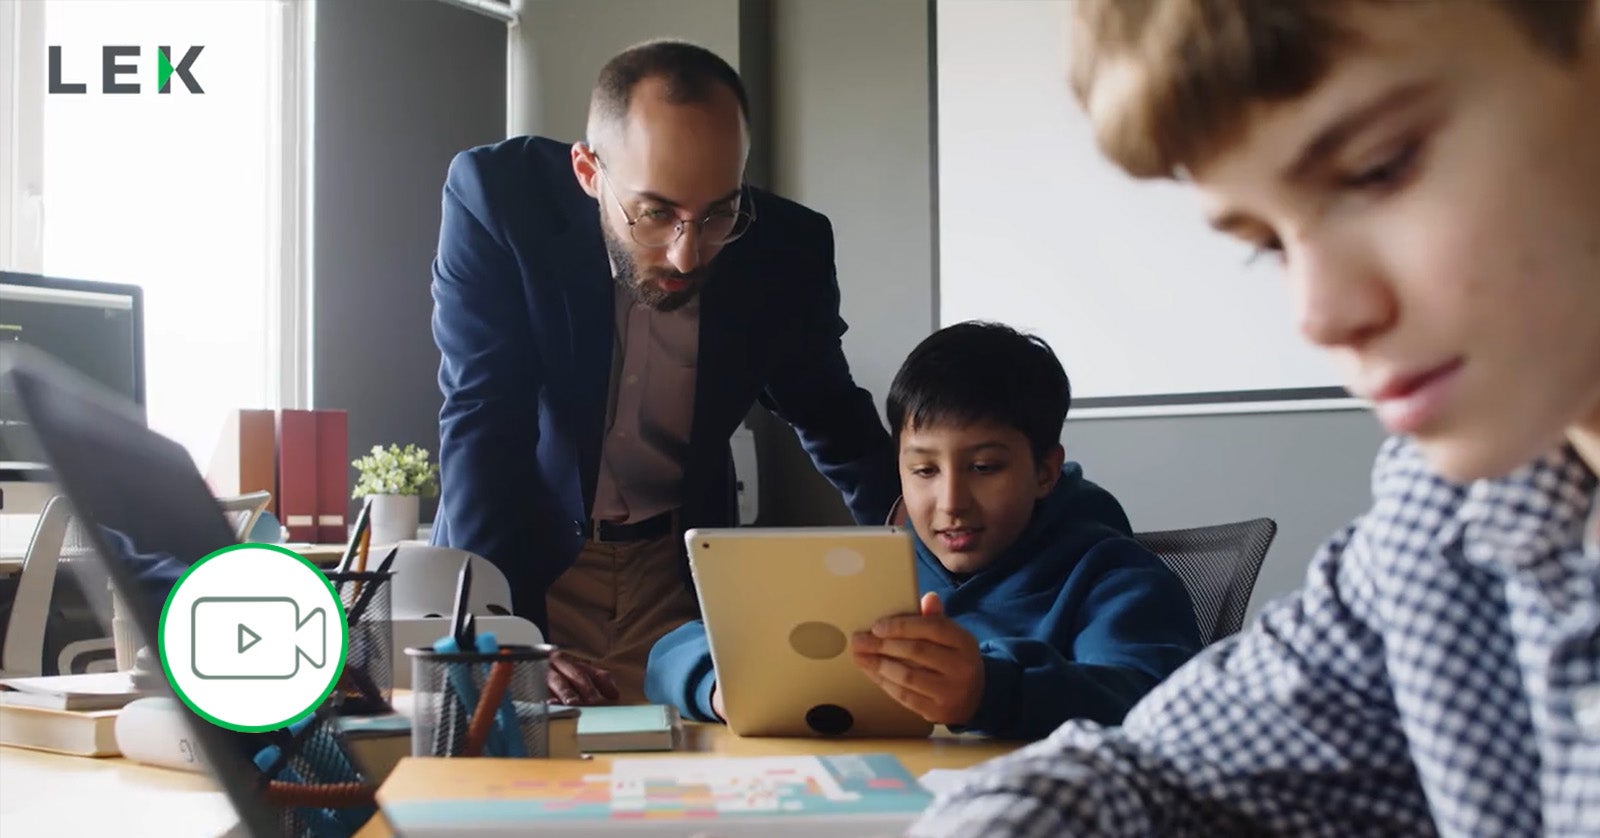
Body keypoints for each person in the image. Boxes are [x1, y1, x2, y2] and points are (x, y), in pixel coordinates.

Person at [911, 1, 1600, 834]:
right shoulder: (1444, 518)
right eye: (1268, 243)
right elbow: (1151, 776)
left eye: (1380, 168)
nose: (1316, 314)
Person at [428, 40, 898, 705]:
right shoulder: (499, 200)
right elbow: (484, 416)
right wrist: (500, 625)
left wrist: (923, 534)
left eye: (718, 213)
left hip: (673, 575)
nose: (687, 252)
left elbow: (829, 412)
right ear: (589, 172)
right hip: (522, 555)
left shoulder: (786, 248)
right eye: (655, 213)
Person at [645, 321, 1202, 740]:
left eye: (984, 468)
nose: (951, 503)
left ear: (1045, 471)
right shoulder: (862, 569)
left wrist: (989, 691)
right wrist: (723, 689)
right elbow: (668, 653)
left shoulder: (1114, 578)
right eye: (925, 471)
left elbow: (1151, 701)